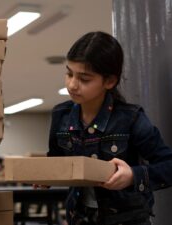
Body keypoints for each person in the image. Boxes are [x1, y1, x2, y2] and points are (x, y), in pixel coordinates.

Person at [47, 31, 172, 225]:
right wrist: (46, 176)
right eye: (69, 73)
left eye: (84, 79)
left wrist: (133, 176)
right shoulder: (60, 115)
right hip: (79, 218)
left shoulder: (131, 119)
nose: (72, 84)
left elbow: (168, 166)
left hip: (127, 220)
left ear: (110, 81)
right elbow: (55, 161)